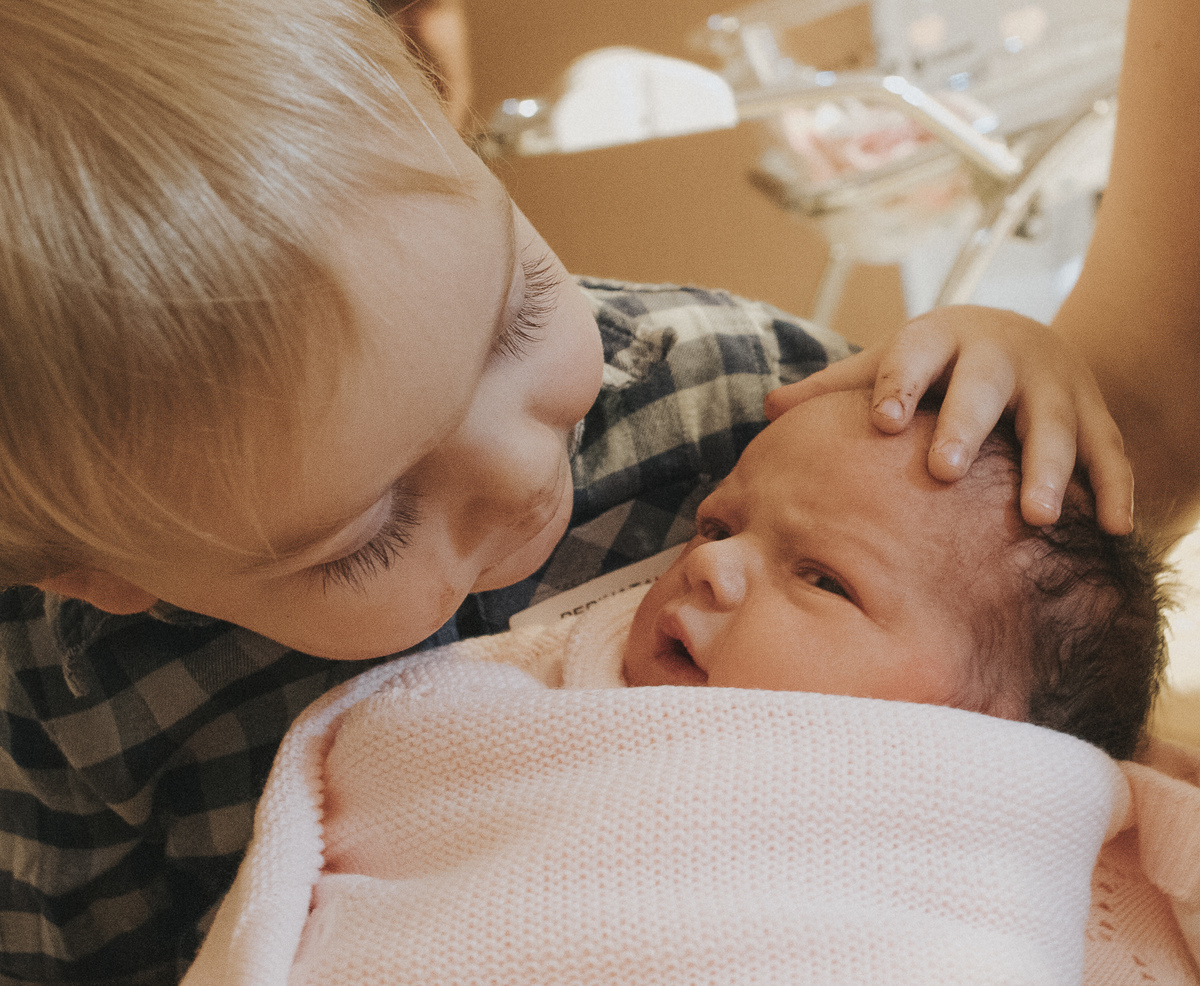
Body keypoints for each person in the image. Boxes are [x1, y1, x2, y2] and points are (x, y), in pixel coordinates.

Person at [0, 0, 1171, 982]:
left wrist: (1007, 355)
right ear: (106, 574)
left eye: (516, 316)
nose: (522, 474)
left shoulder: (732, 390)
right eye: (373, 527)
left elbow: (994, 610)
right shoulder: (68, 695)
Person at [180, 392, 1176, 986]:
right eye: (718, 524)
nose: (711, 565)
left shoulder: (982, 866)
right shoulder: (517, 717)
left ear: (995, 737)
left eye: (824, 578)